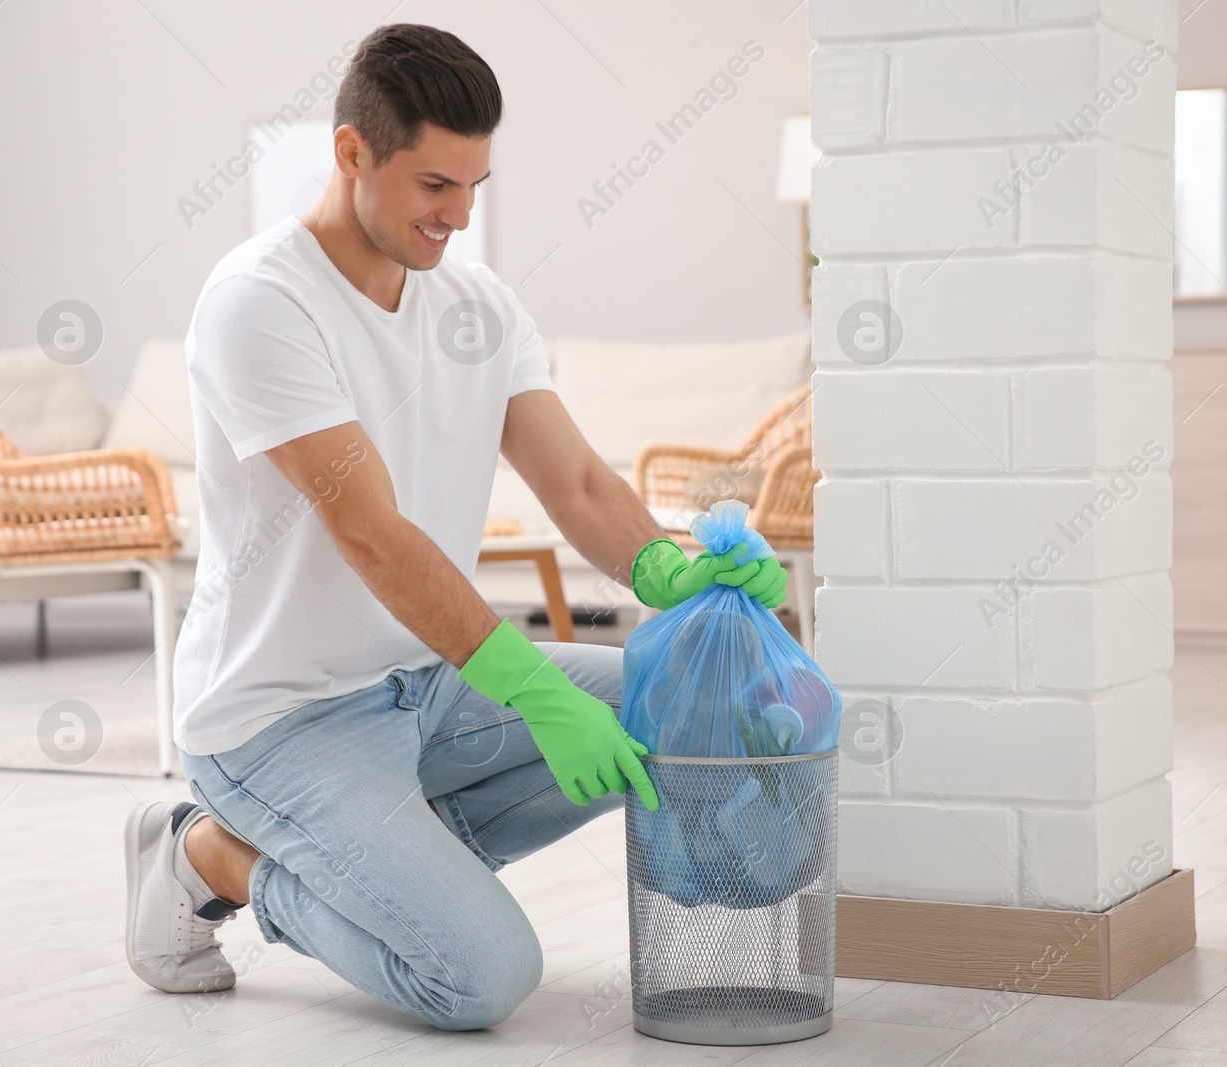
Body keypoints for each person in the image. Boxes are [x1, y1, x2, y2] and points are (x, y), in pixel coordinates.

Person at [121, 23, 788, 1032]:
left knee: (685, 703)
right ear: (352, 153)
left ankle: (398, 858)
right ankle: (208, 853)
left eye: (475, 185)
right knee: (479, 975)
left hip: (427, 686)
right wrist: (527, 685)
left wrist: (668, 569)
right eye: (436, 184)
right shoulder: (261, 302)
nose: (459, 216)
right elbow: (371, 533)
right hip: (278, 718)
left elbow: (572, 478)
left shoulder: (476, 305)